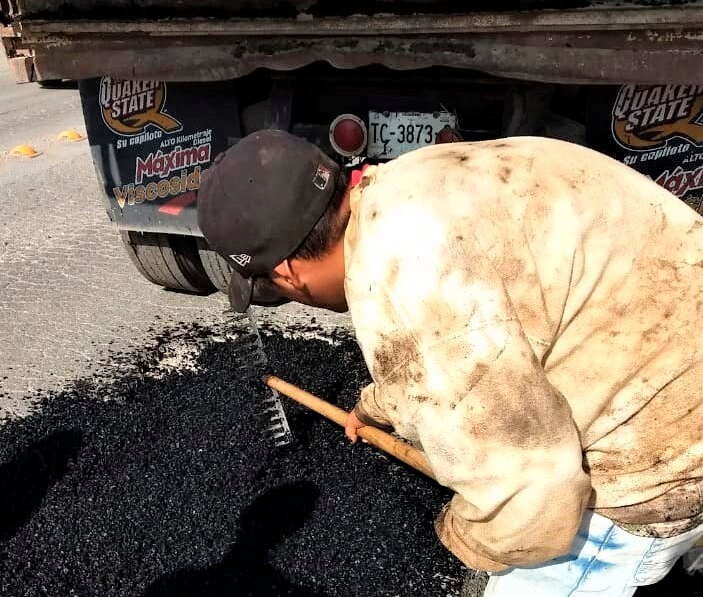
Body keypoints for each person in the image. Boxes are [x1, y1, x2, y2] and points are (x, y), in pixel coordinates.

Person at [197, 130, 703, 596]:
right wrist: (375, 408)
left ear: (288, 274)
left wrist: (462, 539)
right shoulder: (414, 180)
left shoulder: (400, 280)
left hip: (661, 465)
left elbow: (531, 491)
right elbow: (467, 340)